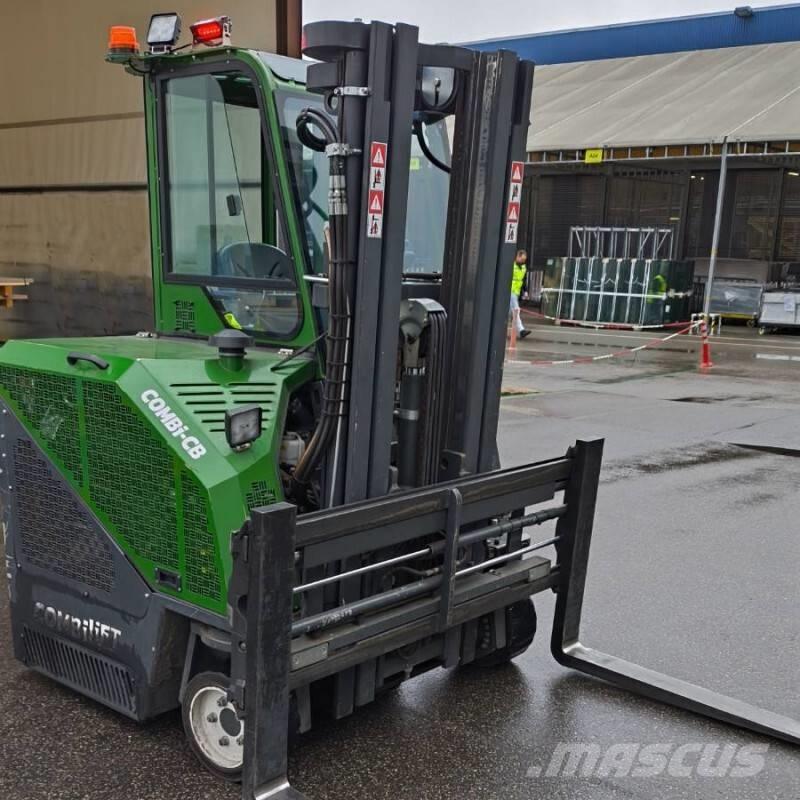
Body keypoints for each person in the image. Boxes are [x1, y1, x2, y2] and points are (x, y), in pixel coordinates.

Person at [510, 249, 531, 339]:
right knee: (516, 310)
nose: (523, 261)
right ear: (517, 256)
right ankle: (521, 330)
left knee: (511, 312)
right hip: (511, 291)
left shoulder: (523, 267)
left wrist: (525, 291)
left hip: (516, 292)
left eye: (524, 260)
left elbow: (523, 280)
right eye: (522, 259)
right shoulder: (511, 265)